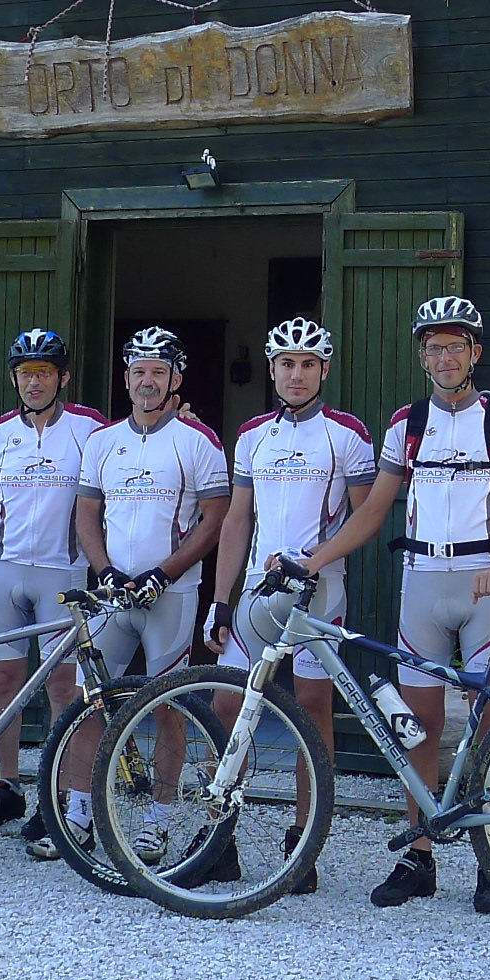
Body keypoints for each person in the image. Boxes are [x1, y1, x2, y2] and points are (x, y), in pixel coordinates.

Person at [287, 296, 490, 914]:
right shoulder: (408, 423)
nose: (445, 357)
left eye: (456, 346)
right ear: (421, 355)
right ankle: (419, 856)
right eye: (434, 347)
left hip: (484, 583)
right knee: (418, 728)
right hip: (422, 581)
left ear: (475, 352)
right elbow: (373, 510)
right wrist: (312, 560)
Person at [202, 317, 376, 891]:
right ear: (273, 371)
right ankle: (220, 834)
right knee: (228, 707)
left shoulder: (346, 432)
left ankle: (305, 838)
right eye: (285, 364)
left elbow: (366, 517)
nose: (295, 374)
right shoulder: (253, 434)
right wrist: (220, 599)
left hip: (317, 590)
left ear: (323, 370)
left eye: (307, 364)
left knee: (311, 710)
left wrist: (317, 558)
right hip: (257, 589)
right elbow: (235, 519)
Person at [71, 326, 231, 861]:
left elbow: (215, 519)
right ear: (126, 378)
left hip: (172, 592)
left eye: (158, 371)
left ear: (175, 379)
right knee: (87, 701)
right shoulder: (102, 441)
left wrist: (165, 571)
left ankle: (159, 821)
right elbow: (86, 512)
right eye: (138, 371)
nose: (147, 381)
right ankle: (78, 812)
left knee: (169, 706)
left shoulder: (196, 441)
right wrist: (105, 570)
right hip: (114, 594)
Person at [0, 328, 106, 847]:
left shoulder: (90, 429)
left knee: (63, 688)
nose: (34, 382)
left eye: (44, 372)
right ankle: (9, 785)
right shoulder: (0, 433)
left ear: (63, 377)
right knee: (4, 680)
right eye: (26, 373)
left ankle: (61, 794)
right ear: (15, 379)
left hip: (61, 571)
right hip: (4, 567)